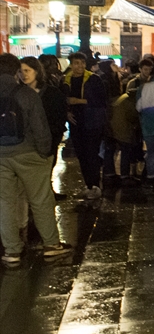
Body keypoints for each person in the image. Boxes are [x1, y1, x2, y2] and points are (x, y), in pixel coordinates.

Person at [0, 53, 71, 265]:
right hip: (28, 153)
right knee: (40, 199)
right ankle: (51, 245)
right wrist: (44, 152)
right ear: (15, 71)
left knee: (5, 203)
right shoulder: (25, 94)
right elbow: (40, 127)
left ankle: (12, 250)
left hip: (1, 156)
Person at [62, 52, 107, 199]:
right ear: (71, 64)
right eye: (76, 63)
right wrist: (67, 112)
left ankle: (95, 185)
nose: (79, 66)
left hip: (92, 122)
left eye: (82, 63)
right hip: (76, 123)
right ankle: (88, 185)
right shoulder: (65, 80)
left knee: (91, 153)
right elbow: (61, 100)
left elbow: (101, 100)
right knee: (81, 155)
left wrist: (78, 101)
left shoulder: (93, 79)